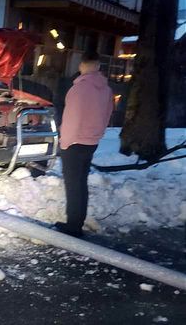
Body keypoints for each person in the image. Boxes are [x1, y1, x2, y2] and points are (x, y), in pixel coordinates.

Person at [55, 51, 113, 237]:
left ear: (82, 66)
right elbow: (107, 114)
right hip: (91, 142)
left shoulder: (79, 89)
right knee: (81, 182)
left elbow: (72, 118)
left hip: (74, 142)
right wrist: (98, 134)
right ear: (97, 66)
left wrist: (64, 143)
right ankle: (77, 221)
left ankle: (73, 225)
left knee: (73, 185)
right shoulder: (106, 89)